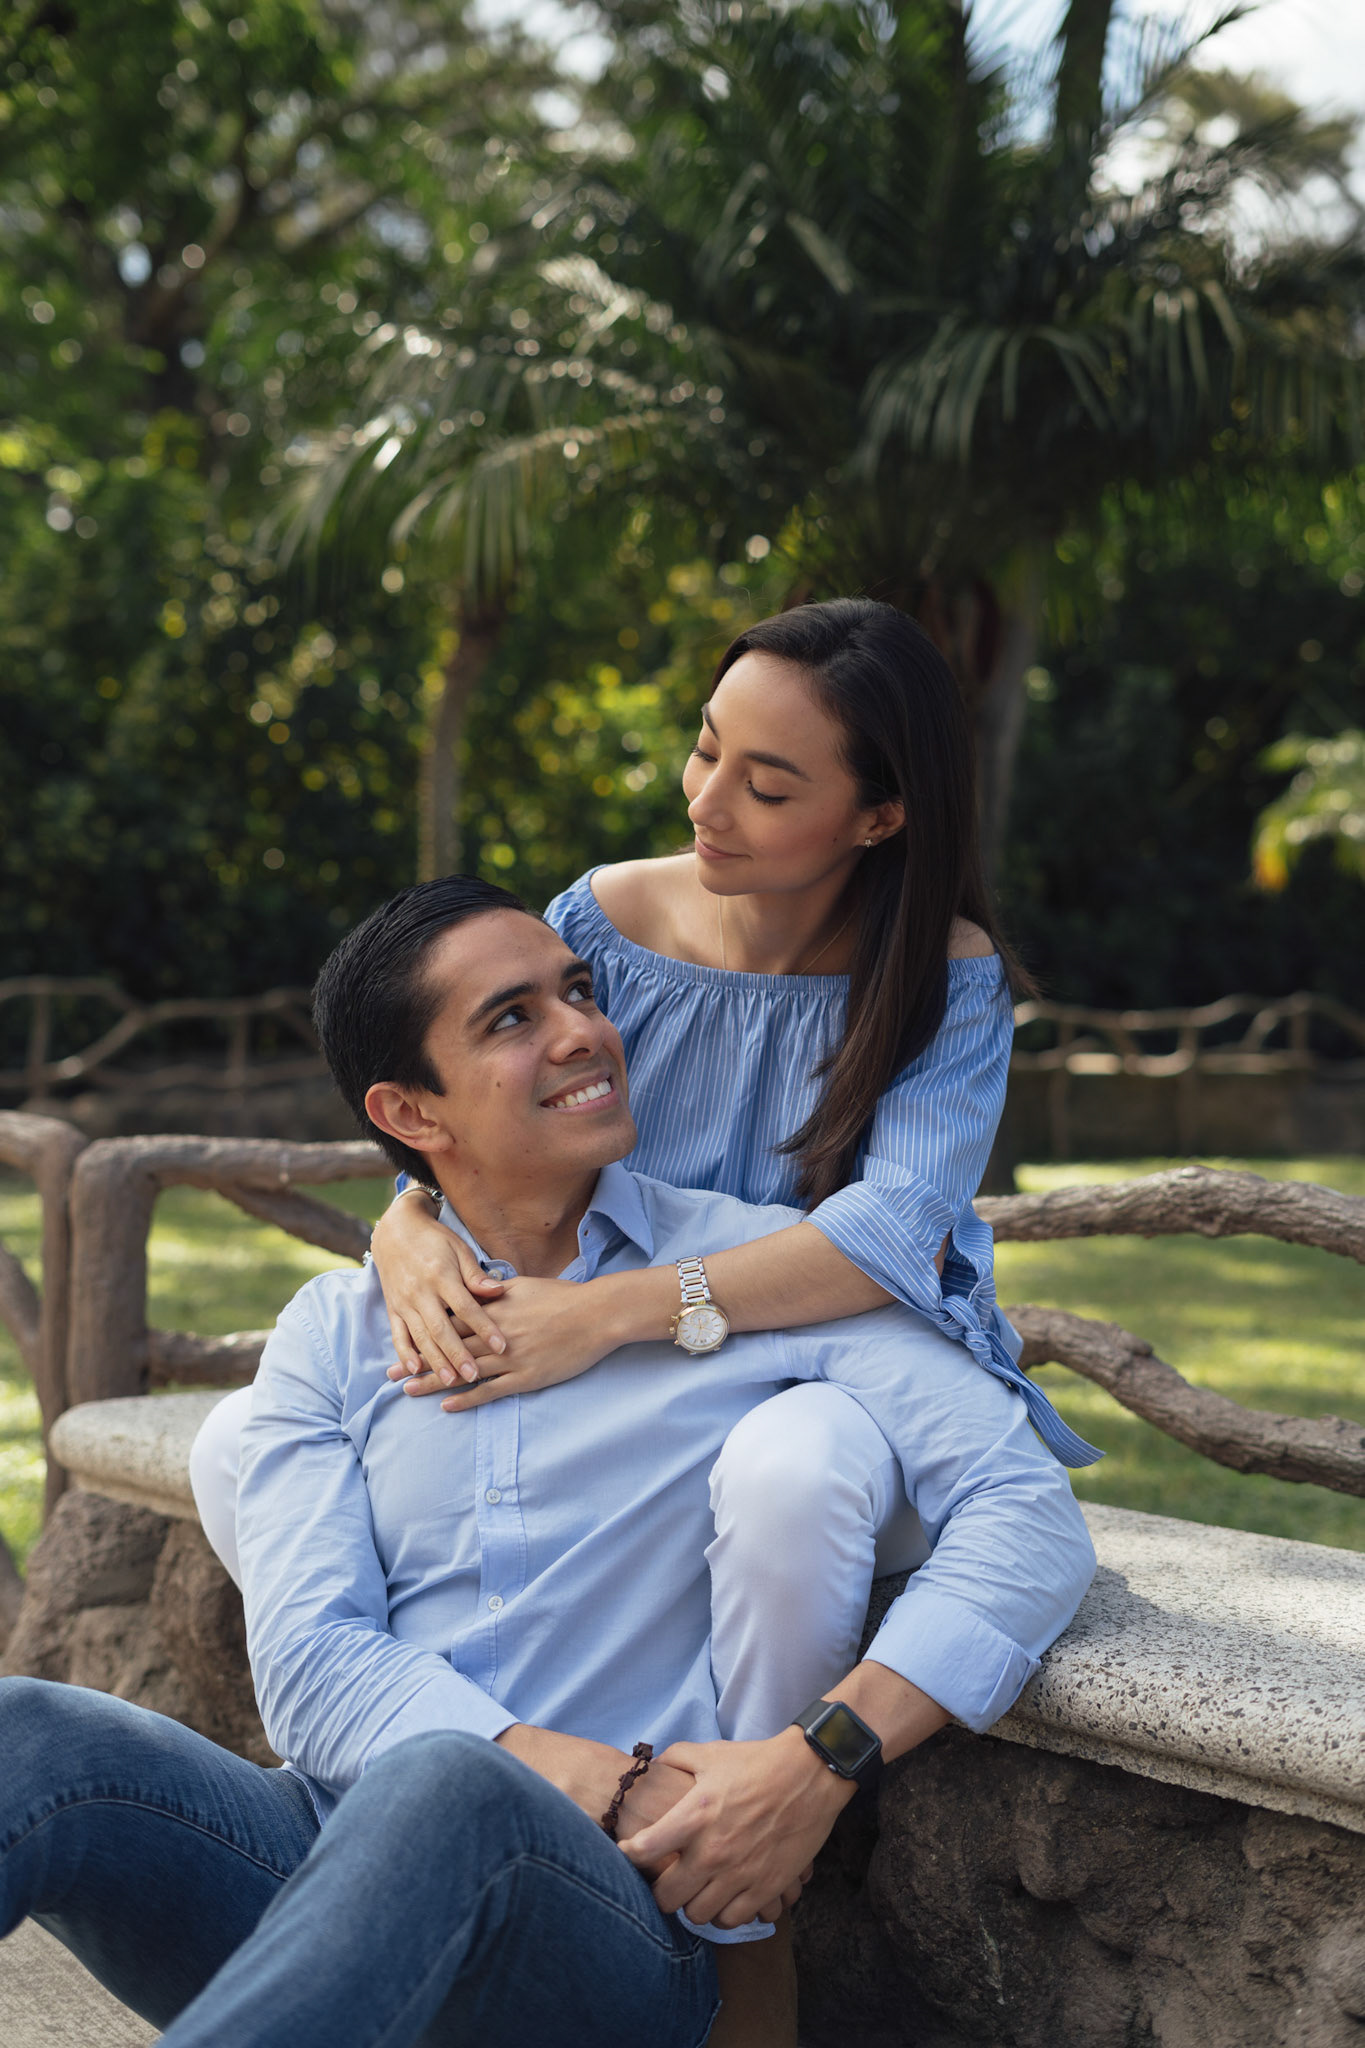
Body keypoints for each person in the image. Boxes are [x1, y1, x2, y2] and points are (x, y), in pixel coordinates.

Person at [0, 878, 1096, 2048]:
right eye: (513, 1017)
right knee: (30, 1732)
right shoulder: (335, 1329)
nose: (583, 1030)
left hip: (611, 1923)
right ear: (410, 1111)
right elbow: (314, 1664)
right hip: (320, 1857)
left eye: (578, 990)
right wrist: (600, 1776)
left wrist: (819, 1755)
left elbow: (1025, 1513)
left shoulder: (756, 1279)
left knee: (451, 1783)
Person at [190, 597, 1099, 1741]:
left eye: (767, 787)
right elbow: (483, 1104)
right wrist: (408, 1218)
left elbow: (886, 1235)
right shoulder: (605, 921)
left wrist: (603, 1314)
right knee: (234, 1441)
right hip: (647, 1379)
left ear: (879, 815)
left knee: (793, 1465)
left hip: (832, 1377)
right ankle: (464, 1745)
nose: (706, 802)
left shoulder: (941, 975)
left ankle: (757, 1816)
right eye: (707, 748)